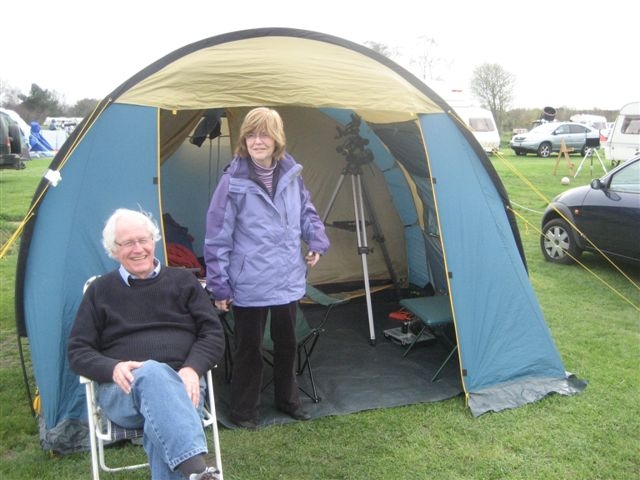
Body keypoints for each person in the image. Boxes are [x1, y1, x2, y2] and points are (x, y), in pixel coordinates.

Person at [67, 208, 224, 480]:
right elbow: (78, 351)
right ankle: (198, 471)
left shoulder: (184, 282)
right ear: (113, 250)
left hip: (183, 384)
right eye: (127, 243)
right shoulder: (99, 291)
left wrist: (191, 369)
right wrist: (112, 367)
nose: (138, 249)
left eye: (143, 240)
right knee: (151, 372)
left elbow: (213, 334)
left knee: (161, 423)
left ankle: (194, 474)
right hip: (124, 391)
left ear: (154, 241)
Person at [204, 107, 330, 430]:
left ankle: (288, 401)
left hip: (287, 277)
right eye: (251, 134)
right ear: (244, 140)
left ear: (277, 140)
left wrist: (316, 240)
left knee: (288, 345)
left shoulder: (291, 175)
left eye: (264, 134)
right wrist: (219, 286)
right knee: (248, 349)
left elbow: (307, 212)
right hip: (249, 281)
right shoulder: (232, 182)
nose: (257, 141)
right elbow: (217, 236)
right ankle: (244, 411)